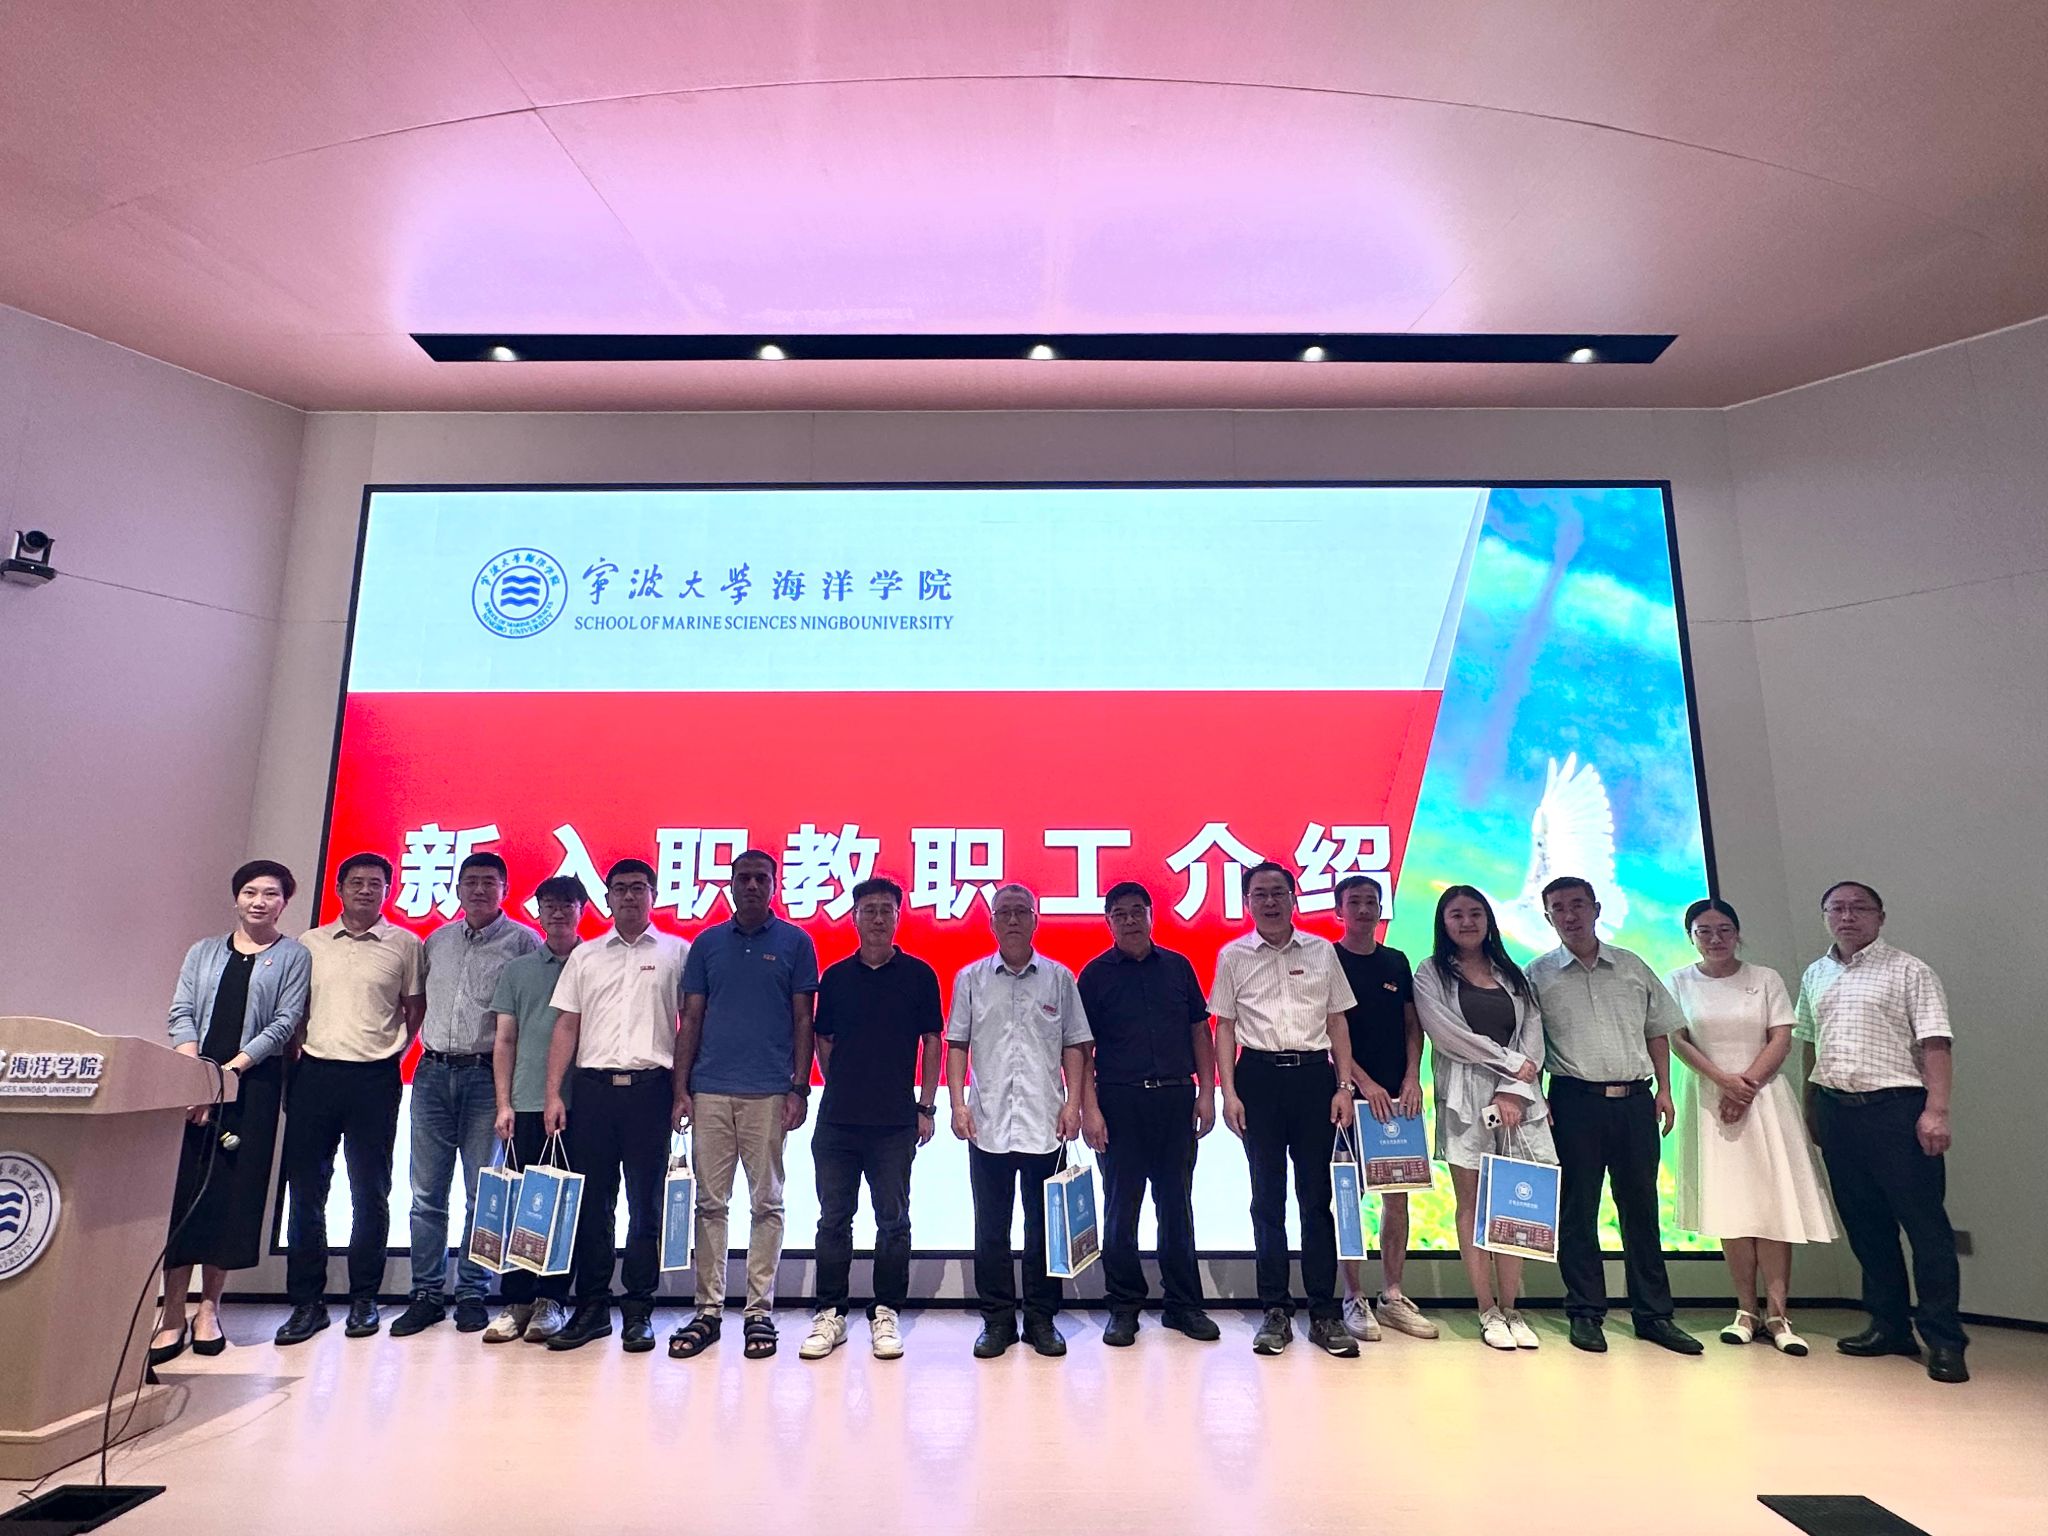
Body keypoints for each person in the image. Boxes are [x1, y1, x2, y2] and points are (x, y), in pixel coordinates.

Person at [1795, 882, 1966, 1384]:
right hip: (1837, 1112)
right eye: (1836, 908)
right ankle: (1889, 1326)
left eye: (1859, 908)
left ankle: (1944, 1340)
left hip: (1898, 1111)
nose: (1847, 917)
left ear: (1880, 916)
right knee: (1866, 1227)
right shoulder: (1815, 973)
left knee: (1926, 1229)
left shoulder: (1910, 971)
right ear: (1825, 916)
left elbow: (1936, 1044)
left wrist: (1937, 1111)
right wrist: (1810, 1107)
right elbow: (1810, 1044)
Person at [1528, 877, 1702, 1356]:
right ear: (1547, 917)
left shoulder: (1631, 966)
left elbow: (1657, 1030)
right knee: (1577, 1210)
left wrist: (1665, 1089)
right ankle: (1585, 1312)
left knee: (1641, 1208)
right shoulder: (1537, 975)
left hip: (1635, 1102)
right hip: (1573, 1103)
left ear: (1596, 908)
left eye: (1578, 905)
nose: (1570, 915)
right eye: (1558, 908)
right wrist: (1537, 1100)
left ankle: (1654, 1315)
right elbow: (1528, 1044)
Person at [152, 861, 310, 1364]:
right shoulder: (202, 951)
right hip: (193, 1082)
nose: (259, 901)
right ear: (236, 898)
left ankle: (209, 1309)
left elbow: (285, 1022)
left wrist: (228, 1073)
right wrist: (196, 1073)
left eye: (271, 894)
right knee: (183, 1195)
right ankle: (171, 1314)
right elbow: (180, 1013)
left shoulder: (293, 956)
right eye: (250, 892)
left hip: (252, 1085)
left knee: (230, 1196)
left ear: (284, 902)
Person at [1666, 898, 1836, 1355]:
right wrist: (1724, 1083)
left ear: (1738, 933)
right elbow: (1678, 1040)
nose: (1715, 938)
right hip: (1709, 1099)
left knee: (1771, 1203)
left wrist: (1746, 1086)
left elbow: (1781, 1037)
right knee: (1732, 1205)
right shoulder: (1678, 981)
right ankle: (1745, 1311)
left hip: (1763, 1099)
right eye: (1704, 931)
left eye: (1724, 929)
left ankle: (1779, 1315)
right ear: (1691, 937)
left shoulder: (1764, 978)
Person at [669, 849, 820, 1361]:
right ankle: (708, 1310)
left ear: (775, 885)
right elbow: (691, 1019)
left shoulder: (796, 943)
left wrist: (799, 1087)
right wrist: (681, 1089)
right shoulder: (707, 944)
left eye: (761, 878)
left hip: (770, 1093)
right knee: (710, 1204)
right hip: (710, 1090)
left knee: (767, 1204)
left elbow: (803, 1020)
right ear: (730, 885)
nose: (752, 886)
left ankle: (759, 1311)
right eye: (743, 878)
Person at [1212, 861, 1360, 1359]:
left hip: (1315, 1079)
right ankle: (1275, 1309)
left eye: (1278, 892)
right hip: (1258, 1079)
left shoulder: (1321, 951)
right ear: (1247, 902)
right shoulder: (1233, 956)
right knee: (1267, 1199)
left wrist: (1343, 1086)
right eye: (1260, 894)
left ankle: (1324, 1313)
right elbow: (1224, 1026)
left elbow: (1337, 1022)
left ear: (1294, 898)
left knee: (1317, 1200)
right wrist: (1229, 1093)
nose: (1270, 902)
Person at [276, 852, 426, 1346]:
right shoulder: (310, 944)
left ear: (388, 891)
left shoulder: (405, 944)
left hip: (374, 1079)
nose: (365, 890)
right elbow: (294, 1011)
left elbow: (414, 1008)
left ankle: (365, 1298)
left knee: (370, 1191)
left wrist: (392, 1052)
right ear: (339, 888)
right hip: (315, 1075)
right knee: (307, 1192)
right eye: (356, 882)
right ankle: (307, 1303)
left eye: (375, 883)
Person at [540, 858, 688, 1353]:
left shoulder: (676, 953)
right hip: (594, 1092)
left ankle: (639, 1309)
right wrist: (553, 1093)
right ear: (607, 899)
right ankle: (592, 1307)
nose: (629, 896)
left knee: (646, 1205)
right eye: (620, 888)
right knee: (593, 1204)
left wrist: (683, 1091)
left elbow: (692, 1026)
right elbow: (567, 1026)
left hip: (652, 1091)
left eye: (638, 888)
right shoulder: (586, 956)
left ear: (653, 895)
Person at [391, 852, 541, 1338]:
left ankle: (473, 1291)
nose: (479, 890)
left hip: (485, 1078)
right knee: (425, 1193)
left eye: (489, 882)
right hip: (432, 1073)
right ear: (457, 889)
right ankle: (426, 1293)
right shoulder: (437, 941)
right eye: (470, 881)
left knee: (484, 1193)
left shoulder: (523, 942)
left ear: (504, 889)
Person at [799, 877, 943, 1362]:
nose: (878, 918)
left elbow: (931, 1040)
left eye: (886, 910)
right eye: (869, 910)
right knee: (833, 1220)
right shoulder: (836, 976)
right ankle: (830, 1314)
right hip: (837, 1121)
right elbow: (823, 1039)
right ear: (854, 917)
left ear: (898, 917)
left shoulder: (919, 975)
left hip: (896, 1122)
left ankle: (886, 1312)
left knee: (893, 1221)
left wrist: (926, 1106)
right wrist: (842, 1080)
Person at [947, 883, 1092, 1359]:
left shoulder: (1059, 978)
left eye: (1020, 911)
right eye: (1003, 912)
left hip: (1045, 1122)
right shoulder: (971, 978)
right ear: (991, 922)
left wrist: (1073, 1104)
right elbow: (957, 1045)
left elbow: (1075, 1045)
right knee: (991, 1228)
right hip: (986, 1122)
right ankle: (997, 1320)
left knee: (1043, 1229)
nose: (1012, 919)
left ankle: (1041, 1319)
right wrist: (958, 1104)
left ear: (1035, 919)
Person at [1077, 880, 1221, 1347]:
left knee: (1176, 1205)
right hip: (1118, 1104)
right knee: (1120, 1209)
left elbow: (1199, 1032)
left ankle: (1183, 1306)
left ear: (1151, 915)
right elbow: (1081, 1049)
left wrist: (1207, 1093)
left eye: (1137, 911)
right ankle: (1123, 1307)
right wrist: (1089, 1109)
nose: (1130, 920)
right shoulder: (1094, 976)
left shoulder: (1177, 967)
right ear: (1108, 922)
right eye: (1119, 914)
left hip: (1176, 1100)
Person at [1412, 885, 1553, 1351]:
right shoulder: (1431, 973)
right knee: (1471, 1205)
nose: (1467, 922)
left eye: (1475, 913)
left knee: (1513, 1203)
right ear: (1443, 923)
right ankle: (1487, 1309)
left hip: (1519, 1101)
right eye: (1456, 915)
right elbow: (1447, 1035)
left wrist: (1514, 1088)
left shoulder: (1512, 973)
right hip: (1464, 1098)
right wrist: (1509, 1063)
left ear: (1488, 919)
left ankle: (1512, 1308)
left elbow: (1532, 1036)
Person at [481, 874, 589, 1344]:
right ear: (538, 911)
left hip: (583, 1103)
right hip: (526, 1103)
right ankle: (518, 1300)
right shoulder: (518, 970)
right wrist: (503, 1103)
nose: (558, 912)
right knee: (522, 1206)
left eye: (567, 903)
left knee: (567, 1209)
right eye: (549, 904)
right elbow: (505, 1040)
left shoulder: (593, 962)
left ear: (583, 909)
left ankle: (553, 1300)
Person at [1328, 874, 1436, 1343]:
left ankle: (1392, 1296)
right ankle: (1353, 1296)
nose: (1363, 909)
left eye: (1371, 901)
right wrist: (1363, 1083)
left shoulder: (1396, 961)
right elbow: (1327, 1031)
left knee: (1398, 1198)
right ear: (1339, 910)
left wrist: (1411, 1077)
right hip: (1346, 1098)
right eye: (1354, 902)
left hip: (1397, 1099)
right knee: (1348, 1198)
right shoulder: (1328, 959)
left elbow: (1413, 1026)